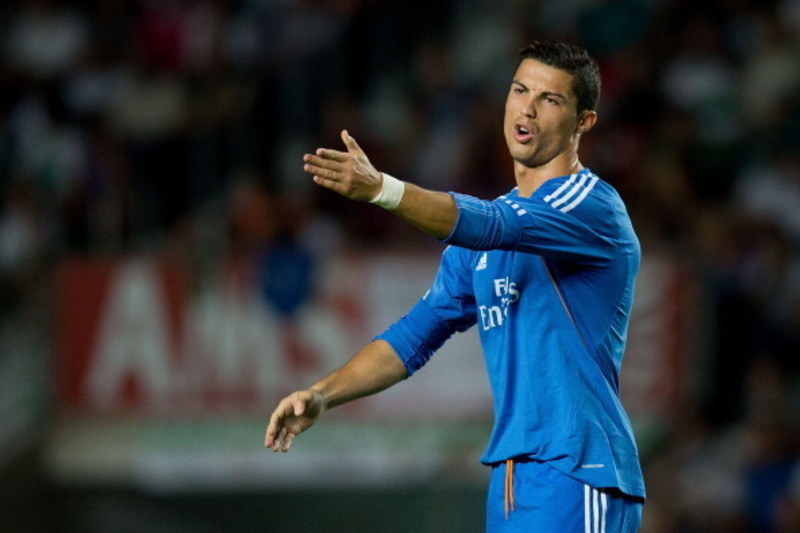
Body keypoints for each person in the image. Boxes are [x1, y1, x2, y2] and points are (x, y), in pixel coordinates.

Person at [265, 41, 645, 532]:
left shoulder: (590, 206)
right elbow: (413, 337)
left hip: (580, 471)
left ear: (583, 122)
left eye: (550, 99)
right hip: (511, 481)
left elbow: (491, 224)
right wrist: (322, 394)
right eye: (519, 90)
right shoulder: (487, 235)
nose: (526, 107)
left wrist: (383, 189)